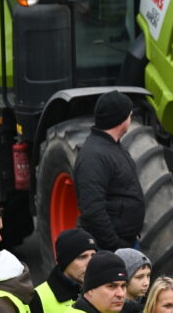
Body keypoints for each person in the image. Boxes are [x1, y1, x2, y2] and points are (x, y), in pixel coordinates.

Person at [74, 91, 144, 251]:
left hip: (128, 241)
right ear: (121, 120)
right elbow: (92, 209)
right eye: (129, 114)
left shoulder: (113, 146)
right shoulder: (93, 156)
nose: (131, 117)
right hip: (112, 248)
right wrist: (115, 245)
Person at [30, 229, 97, 313]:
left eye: (93, 256)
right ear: (65, 261)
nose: (91, 263)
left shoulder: (106, 291)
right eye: (82, 257)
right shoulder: (37, 298)